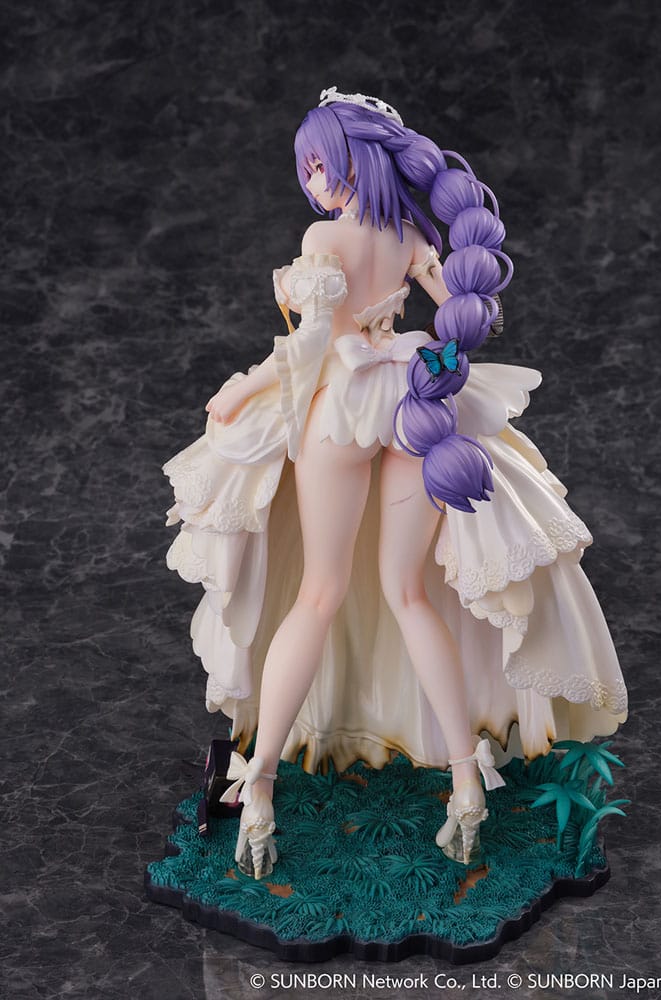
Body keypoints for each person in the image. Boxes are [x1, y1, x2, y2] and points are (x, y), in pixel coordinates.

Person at [163, 87, 627, 880]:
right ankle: (465, 784)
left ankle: (262, 781)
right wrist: (439, 330)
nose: (314, 183)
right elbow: (469, 315)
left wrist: (243, 388)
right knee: (407, 593)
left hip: (344, 410)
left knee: (321, 592)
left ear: (358, 157)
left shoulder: (323, 238)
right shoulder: (411, 234)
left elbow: (312, 347)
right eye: (307, 170)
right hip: (416, 401)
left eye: (321, 164)